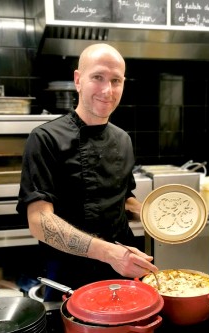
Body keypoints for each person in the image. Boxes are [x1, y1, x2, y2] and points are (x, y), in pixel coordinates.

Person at [17, 43, 157, 301]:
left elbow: (123, 198)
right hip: (69, 277)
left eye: (116, 80)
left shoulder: (123, 139)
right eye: (98, 78)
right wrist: (108, 253)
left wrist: (154, 214)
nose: (108, 90)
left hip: (122, 270)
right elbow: (39, 221)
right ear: (78, 80)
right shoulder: (45, 139)